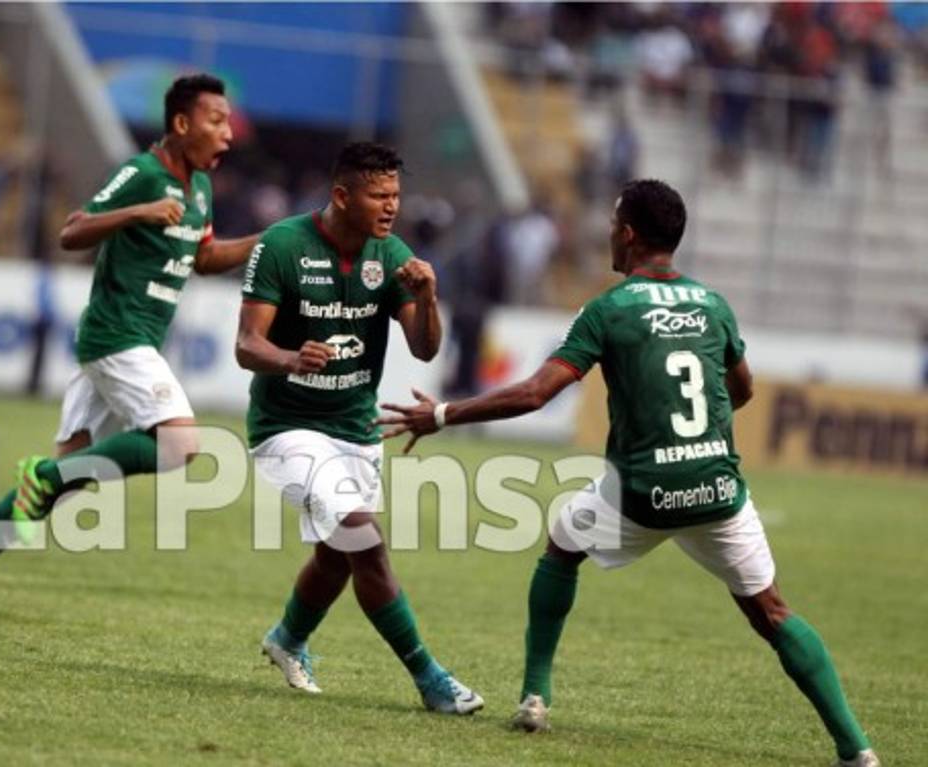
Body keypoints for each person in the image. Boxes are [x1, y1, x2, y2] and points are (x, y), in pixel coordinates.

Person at [376, 180, 878, 766]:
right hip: (718, 489)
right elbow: (741, 389)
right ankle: (856, 750)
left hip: (644, 493)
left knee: (563, 545)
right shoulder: (712, 304)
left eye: (615, 224)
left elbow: (537, 393)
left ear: (630, 234)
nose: (610, 234)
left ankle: (535, 695)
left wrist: (442, 414)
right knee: (771, 611)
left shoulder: (609, 310)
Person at [0, 74, 261, 619]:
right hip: (118, 336)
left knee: (67, 479)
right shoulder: (142, 173)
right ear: (181, 123)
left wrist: (269, 240)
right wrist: (138, 212)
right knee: (179, 445)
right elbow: (72, 231)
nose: (227, 133)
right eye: (215, 121)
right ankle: (41, 477)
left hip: (132, 341)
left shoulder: (199, 186)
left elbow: (205, 257)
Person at [235, 142, 484, 715]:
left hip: (356, 427)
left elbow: (425, 348)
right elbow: (247, 345)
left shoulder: (391, 254)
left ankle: (287, 639)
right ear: (343, 196)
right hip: (286, 427)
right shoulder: (282, 245)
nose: (391, 206)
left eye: (396, 194)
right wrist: (290, 358)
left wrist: (429, 298)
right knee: (362, 539)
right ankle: (431, 679)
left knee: (334, 556)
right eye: (379, 195)